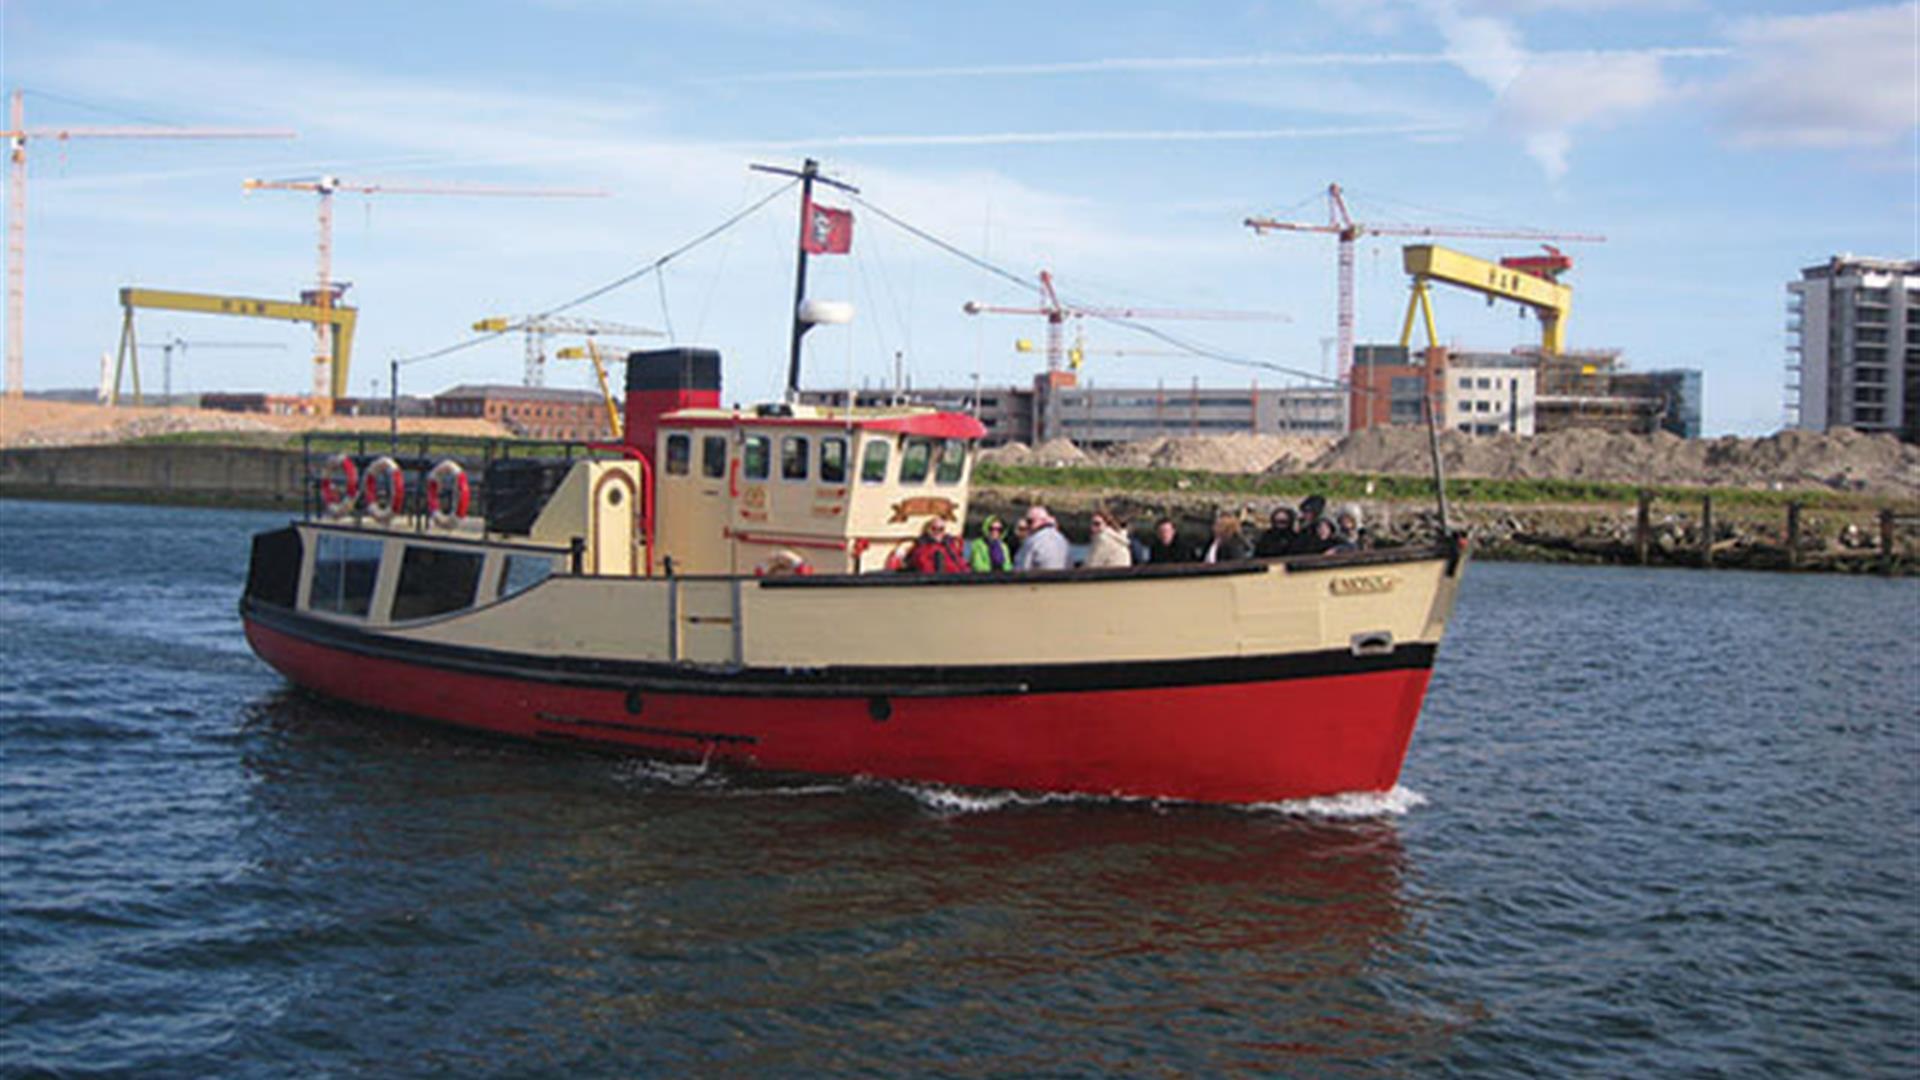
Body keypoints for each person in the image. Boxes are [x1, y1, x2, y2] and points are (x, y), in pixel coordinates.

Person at [902, 516, 971, 574]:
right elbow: (923, 567)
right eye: (934, 528)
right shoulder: (922, 546)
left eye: (941, 529)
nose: (937, 532)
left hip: (954, 580)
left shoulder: (950, 545)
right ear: (928, 530)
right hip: (933, 582)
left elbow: (960, 562)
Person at [1014, 505, 1069, 570]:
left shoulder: (1032, 541)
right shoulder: (1063, 540)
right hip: (1063, 578)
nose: (1027, 525)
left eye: (1029, 521)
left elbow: (1022, 568)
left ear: (1043, 521)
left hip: (1038, 578)